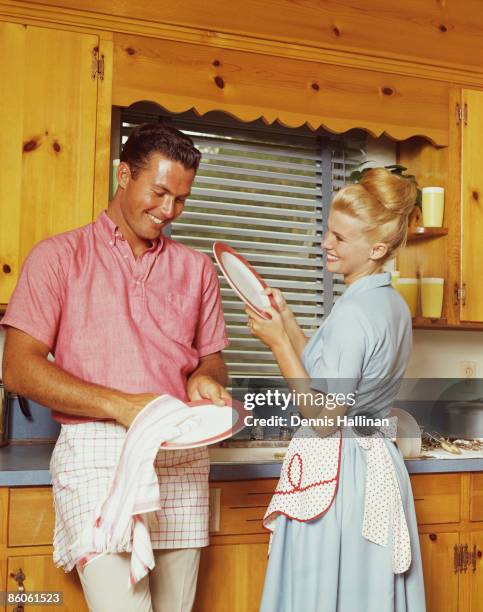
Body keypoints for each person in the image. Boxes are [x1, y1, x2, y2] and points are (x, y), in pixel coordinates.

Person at [1, 124, 230, 612]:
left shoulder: (197, 270)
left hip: (180, 457)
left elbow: (210, 356)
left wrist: (206, 378)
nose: (168, 211)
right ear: (123, 174)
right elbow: (18, 368)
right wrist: (122, 406)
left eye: (181, 200)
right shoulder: (59, 257)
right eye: (160, 192)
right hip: (96, 454)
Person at [246, 168, 426, 612]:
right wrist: (286, 322)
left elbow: (324, 420)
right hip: (374, 462)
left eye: (341, 238)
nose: (327, 242)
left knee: (324, 596)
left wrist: (274, 344)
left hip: (341, 477)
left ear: (377, 248)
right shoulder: (389, 304)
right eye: (328, 230)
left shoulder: (352, 313)